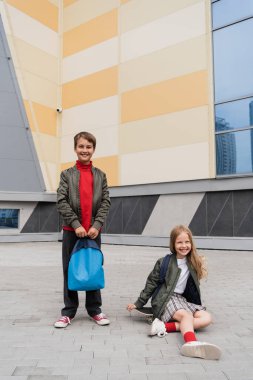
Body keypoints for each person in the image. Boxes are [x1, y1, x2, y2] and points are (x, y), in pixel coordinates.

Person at [127, 225, 221, 360]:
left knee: (207, 318)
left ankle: (163, 326)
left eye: (187, 242)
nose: (184, 245)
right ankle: (191, 343)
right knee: (187, 316)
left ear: (191, 243)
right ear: (173, 244)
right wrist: (139, 302)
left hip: (181, 300)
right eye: (179, 242)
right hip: (165, 298)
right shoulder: (164, 262)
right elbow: (151, 283)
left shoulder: (193, 261)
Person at [54, 131, 111, 328]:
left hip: (94, 232)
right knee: (69, 269)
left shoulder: (100, 175)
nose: (84, 150)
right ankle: (68, 311)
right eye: (81, 146)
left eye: (88, 147)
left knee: (93, 268)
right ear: (75, 149)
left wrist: (96, 225)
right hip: (72, 231)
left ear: (93, 149)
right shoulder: (66, 175)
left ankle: (95, 310)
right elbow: (61, 201)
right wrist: (76, 225)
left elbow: (105, 202)